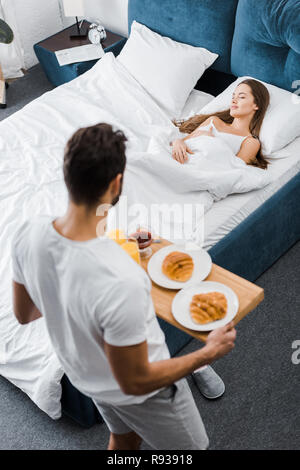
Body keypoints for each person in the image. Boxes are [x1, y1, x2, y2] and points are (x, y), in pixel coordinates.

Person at [12, 123, 236, 450]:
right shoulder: (123, 281)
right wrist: (207, 353)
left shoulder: (28, 233)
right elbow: (136, 380)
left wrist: (69, 292)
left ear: (66, 174)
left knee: (123, 438)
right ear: (117, 183)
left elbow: (24, 314)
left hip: (88, 377)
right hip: (145, 393)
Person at [171, 79, 270, 169]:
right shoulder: (214, 121)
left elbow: (234, 171)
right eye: (233, 96)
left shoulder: (250, 142)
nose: (233, 100)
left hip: (198, 169)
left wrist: (210, 140)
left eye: (241, 97)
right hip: (177, 159)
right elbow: (182, 141)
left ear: (256, 105)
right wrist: (177, 142)